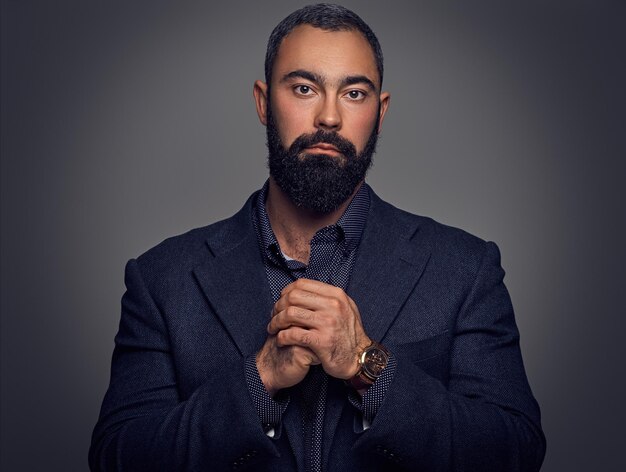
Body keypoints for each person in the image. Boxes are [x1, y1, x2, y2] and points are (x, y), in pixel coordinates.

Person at [89, 4, 546, 471]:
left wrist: (369, 365)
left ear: (380, 112)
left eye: (353, 93)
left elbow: (514, 452)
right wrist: (259, 379)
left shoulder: (465, 269)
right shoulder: (162, 279)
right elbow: (118, 458)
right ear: (264, 102)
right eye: (304, 88)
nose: (328, 117)